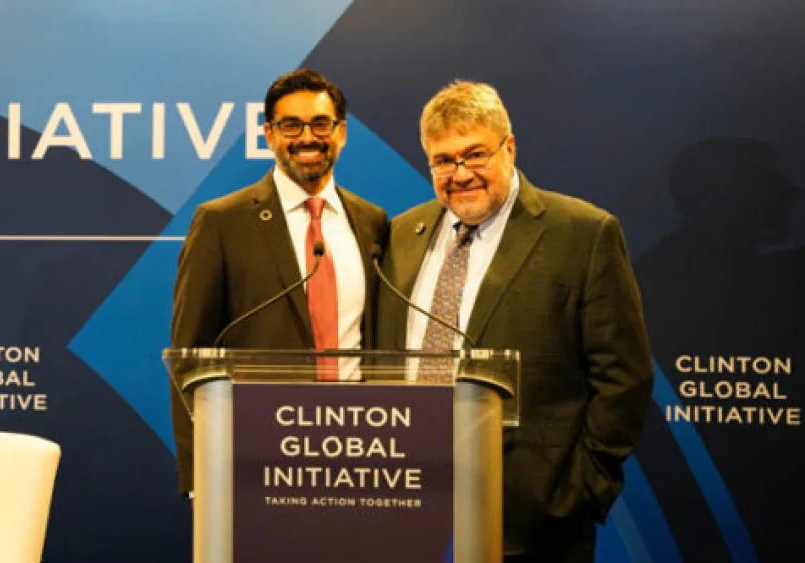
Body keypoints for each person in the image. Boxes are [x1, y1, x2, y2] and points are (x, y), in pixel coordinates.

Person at [375, 80, 653, 562]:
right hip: (409, 503)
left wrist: (582, 490)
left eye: (474, 154)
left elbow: (623, 376)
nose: (460, 173)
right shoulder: (402, 233)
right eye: (443, 160)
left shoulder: (582, 233)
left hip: (535, 520)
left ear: (510, 147)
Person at [169, 69, 388, 495]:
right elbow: (189, 357)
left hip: (361, 455)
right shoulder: (221, 222)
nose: (307, 137)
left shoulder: (372, 222)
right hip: (255, 456)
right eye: (291, 125)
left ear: (341, 133)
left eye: (320, 124)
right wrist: (200, 478)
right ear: (269, 134)